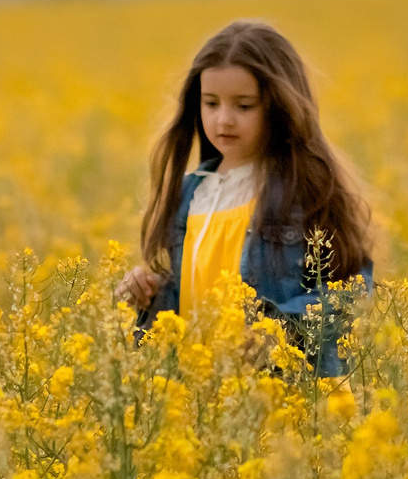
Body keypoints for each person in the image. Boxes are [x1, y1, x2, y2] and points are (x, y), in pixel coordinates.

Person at [119, 19, 374, 374]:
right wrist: (146, 293)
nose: (224, 120)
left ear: (280, 106)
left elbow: (351, 289)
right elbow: (189, 296)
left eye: (244, 106)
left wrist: (279, 331)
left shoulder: (304, 189)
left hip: (283, 399)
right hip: (204, 398)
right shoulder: (191, 193)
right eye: (211, 103)